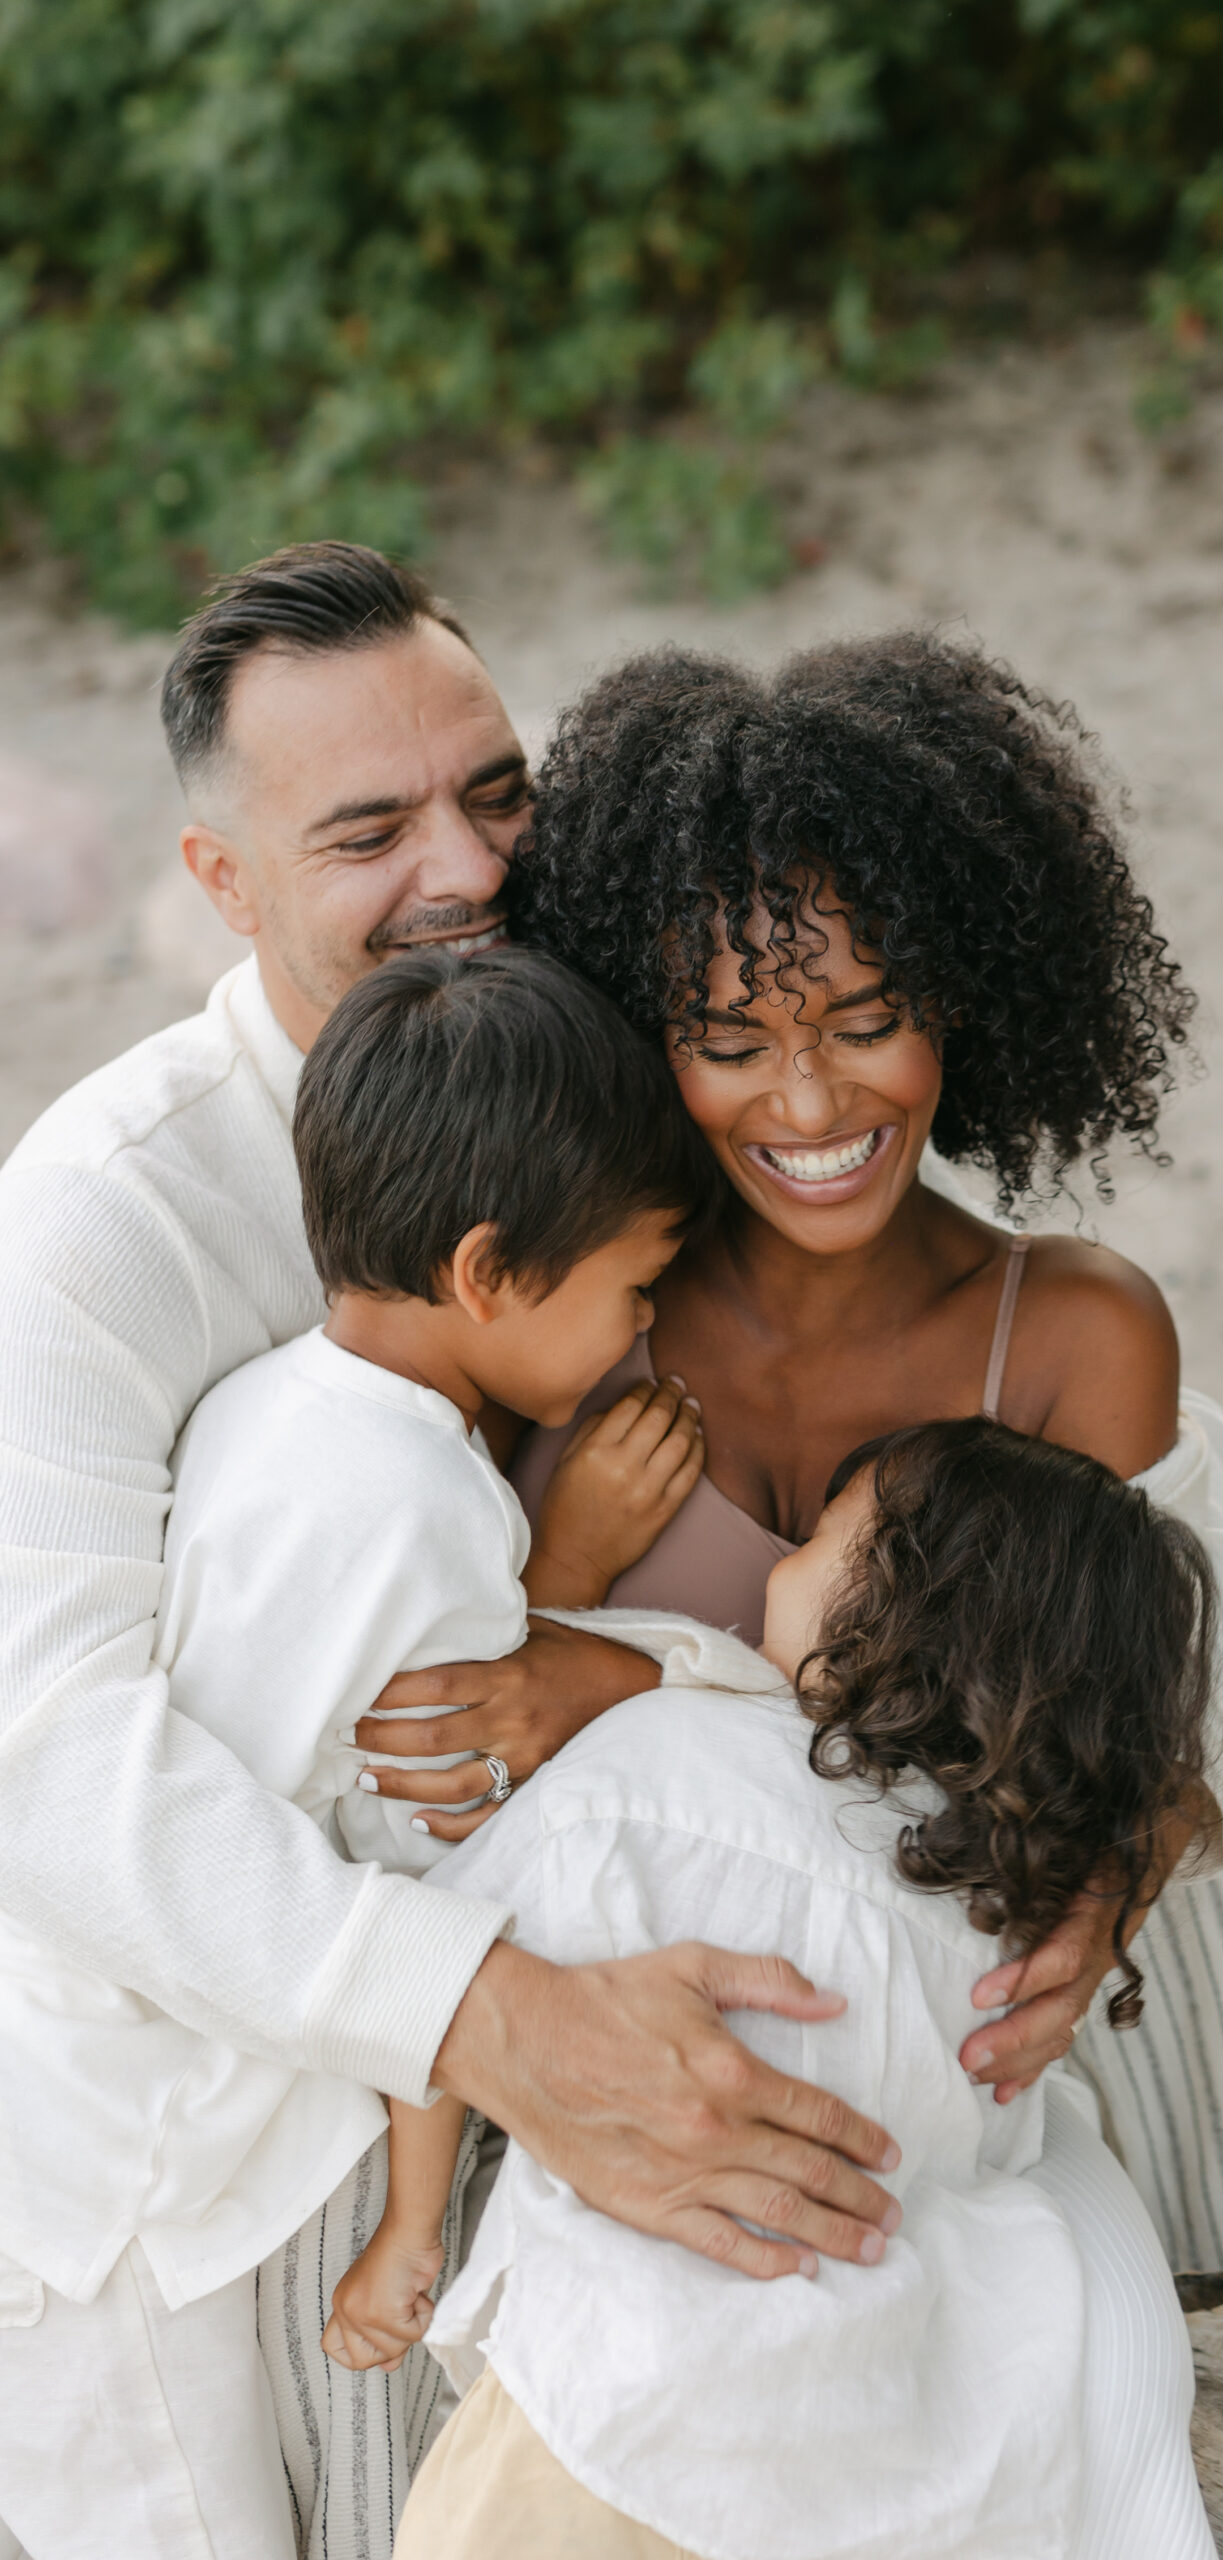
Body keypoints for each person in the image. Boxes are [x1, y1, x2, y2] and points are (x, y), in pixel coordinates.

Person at [0, 549, 905, 2560]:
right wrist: (494, 2013)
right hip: (131, 2155)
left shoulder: (596, 1062)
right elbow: (44, 1750)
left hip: (450, 1985)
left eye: (494, 791)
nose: (470, 867)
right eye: (366, 828)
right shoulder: (92, 1222)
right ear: (220, 883)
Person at [367, 632, 1223, 2353]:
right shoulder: (560, 1333)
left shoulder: (1070, 1335)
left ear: (964, 1003)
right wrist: (556, 1574)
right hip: (642, 2068)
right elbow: (441, 1738)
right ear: (640, 1030)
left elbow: (1156, 1751)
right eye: (728, 1039)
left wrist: (1111, 1889)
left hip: (1001, 2053)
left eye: (868, 1020)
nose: (810, 1100)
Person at [0, 945, 722, 2557]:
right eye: (632, 1285)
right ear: (486, 1273)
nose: (642, 1330)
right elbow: (431, 1858)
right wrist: (410, 2231)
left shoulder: (257, 1402)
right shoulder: (432, 1509)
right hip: (122, 2193)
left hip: (68, 2099)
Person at [395, 1419, 1223, 2560]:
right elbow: (998, 2147)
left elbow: (446, 1968)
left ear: (881, 1608)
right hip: (856, 2437)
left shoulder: (655, 1762)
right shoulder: (1006, 1912)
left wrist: (404, 2231)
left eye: (820, 1536)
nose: (775, 1560)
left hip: (610, 2401)